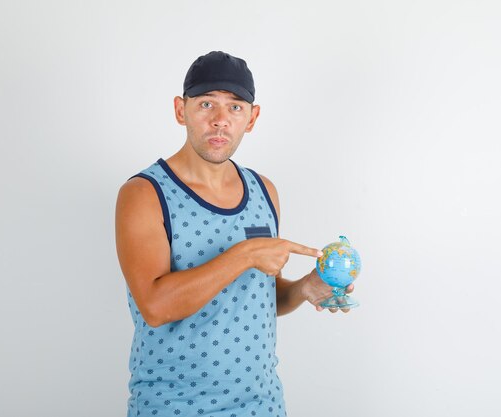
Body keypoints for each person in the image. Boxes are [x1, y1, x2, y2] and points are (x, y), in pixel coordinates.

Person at [115, 51, 353, 417]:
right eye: (207, 104)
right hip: (174, 407)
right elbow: (155, 306)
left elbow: (259, 301)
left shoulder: (264, 190)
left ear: (252, 118)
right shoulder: (144, 193)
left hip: (263, 405)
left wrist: (304, 288)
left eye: (236, 108)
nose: (220, 121)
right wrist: (244, 254)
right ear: (181, 110)